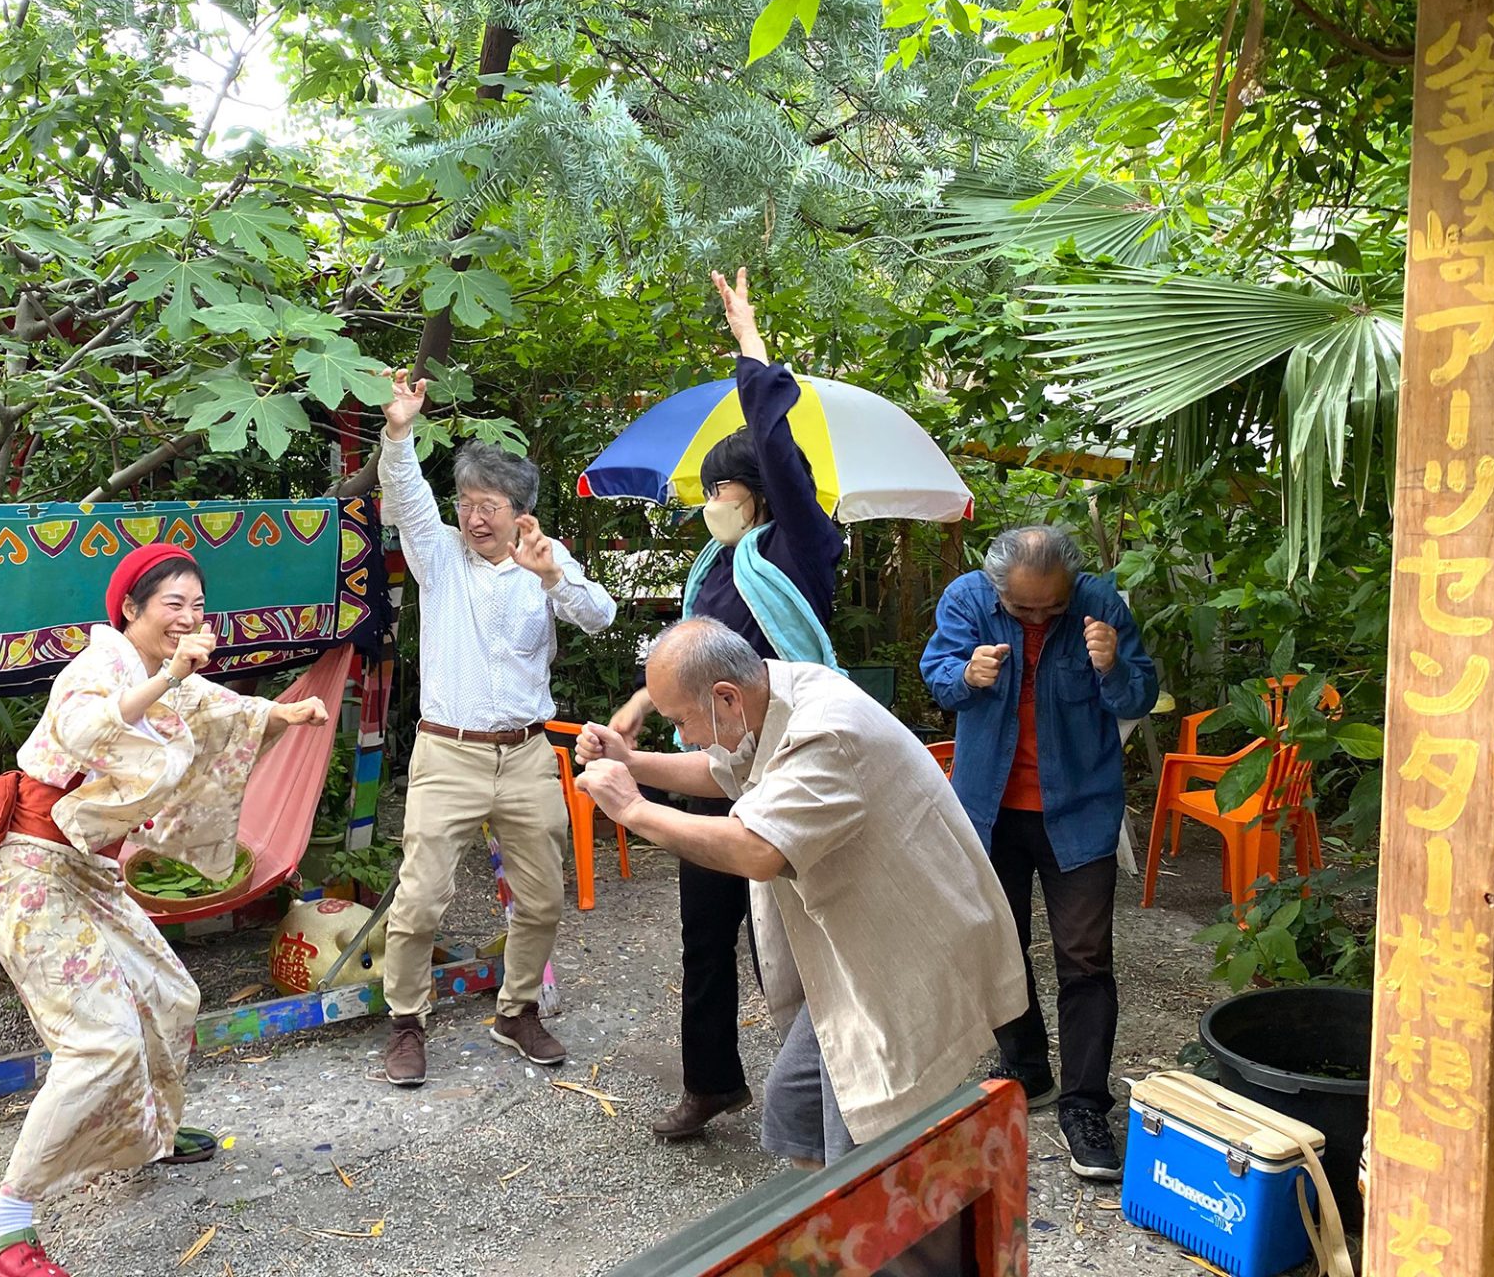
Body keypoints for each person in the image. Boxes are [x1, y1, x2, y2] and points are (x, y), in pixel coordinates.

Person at [0, 542, 330, 1277]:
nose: (189, 618)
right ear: (130, 608)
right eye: (174, 605)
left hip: (86, 874)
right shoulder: (97, 668)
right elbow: (91, 731)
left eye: (198, 606)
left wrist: (288, 715)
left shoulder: (168, 680)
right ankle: (1, 1224)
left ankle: (145, 1134)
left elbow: (222, 714)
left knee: (170, 996)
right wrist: (167, 675)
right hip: (31, 874)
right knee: (101, 1043)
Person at [576, 618, 1025, 1170]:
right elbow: (726, 772)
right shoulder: (770, 696)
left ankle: (864, 1244)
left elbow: (757, 851)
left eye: (681, 721)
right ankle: (825, 1236)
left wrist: (633, 809)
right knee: (794, 1110)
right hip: (858, 948)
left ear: (724, 697)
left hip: (908, 947)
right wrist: (633, 763)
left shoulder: (825, 730)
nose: (684, 735)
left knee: (861, 1145)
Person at [608, 267, 846, 1143]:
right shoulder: (715, 572)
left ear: (757, 494)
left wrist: (752, 348)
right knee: (704, 931)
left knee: (792, 937)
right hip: (711, 765)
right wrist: (638, 709)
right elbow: (690, 652)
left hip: (786, 763)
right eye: (707, 492)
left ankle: (827, 1083)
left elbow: (780, 451)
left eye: (721, 490)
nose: (710, 504)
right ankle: (712, 1083)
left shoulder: (801, 548)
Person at [375, 370, 616, 1087]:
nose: (476, 517)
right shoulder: (438, 552)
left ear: (521, 513)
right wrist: (398, 430)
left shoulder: (544, 559)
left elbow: (600, 617)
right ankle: (406, 1022)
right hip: (448, 751)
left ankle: (517, 1012)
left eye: (492, 506)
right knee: (420, 898)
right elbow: (408, 494)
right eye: (468, 503)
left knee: (543, 897)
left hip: (528, 752)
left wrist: (552, 577)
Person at [918, 524, 1159, 1184]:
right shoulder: (968, 599)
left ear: (1070, 589)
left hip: (1078, 812)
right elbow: (937, 679)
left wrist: (1113, 666)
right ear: (1000, 589)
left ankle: (1085, 1106)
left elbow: (1140, 695)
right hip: (989, 812)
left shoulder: (1101, 603)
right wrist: (963, 673)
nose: (1038, 618)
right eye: (1024, 609)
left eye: (1051, 608)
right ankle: (1026, 1063)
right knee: (1000, 945)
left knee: (1086, 961)